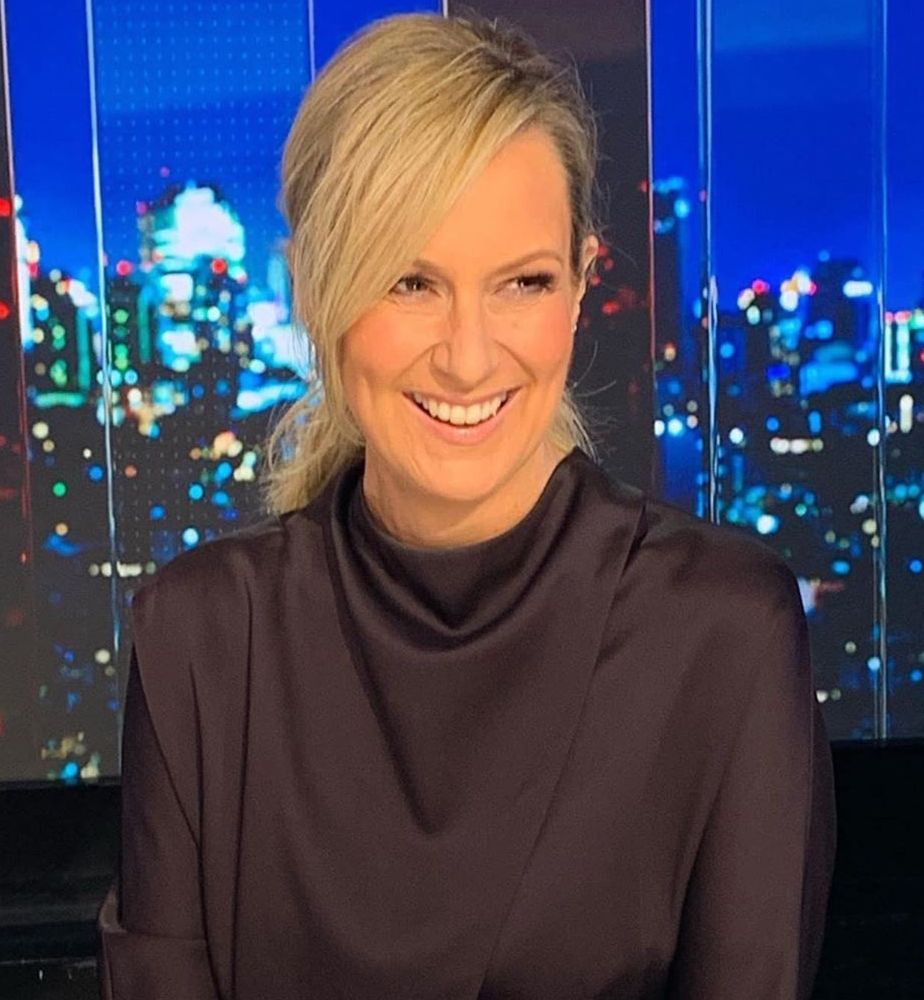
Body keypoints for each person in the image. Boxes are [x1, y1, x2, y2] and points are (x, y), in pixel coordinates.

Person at [97, 11, 836, 999]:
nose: (470, 355)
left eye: (522, 282)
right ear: (311, 289)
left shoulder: (726, 632)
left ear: (581, 285)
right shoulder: (199, 639)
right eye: (411, 281)